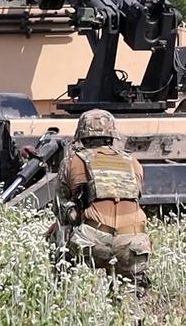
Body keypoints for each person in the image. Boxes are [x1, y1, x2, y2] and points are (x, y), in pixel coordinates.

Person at [50, 108, 151, 292]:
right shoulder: (133, 162)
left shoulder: (72, 161)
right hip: (134, 244)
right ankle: (131, 303)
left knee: (58, 232)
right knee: (131, 295)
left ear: (82, 135)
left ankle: (64, 292)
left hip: (93, 242)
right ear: (112, 135)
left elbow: (60, 209)